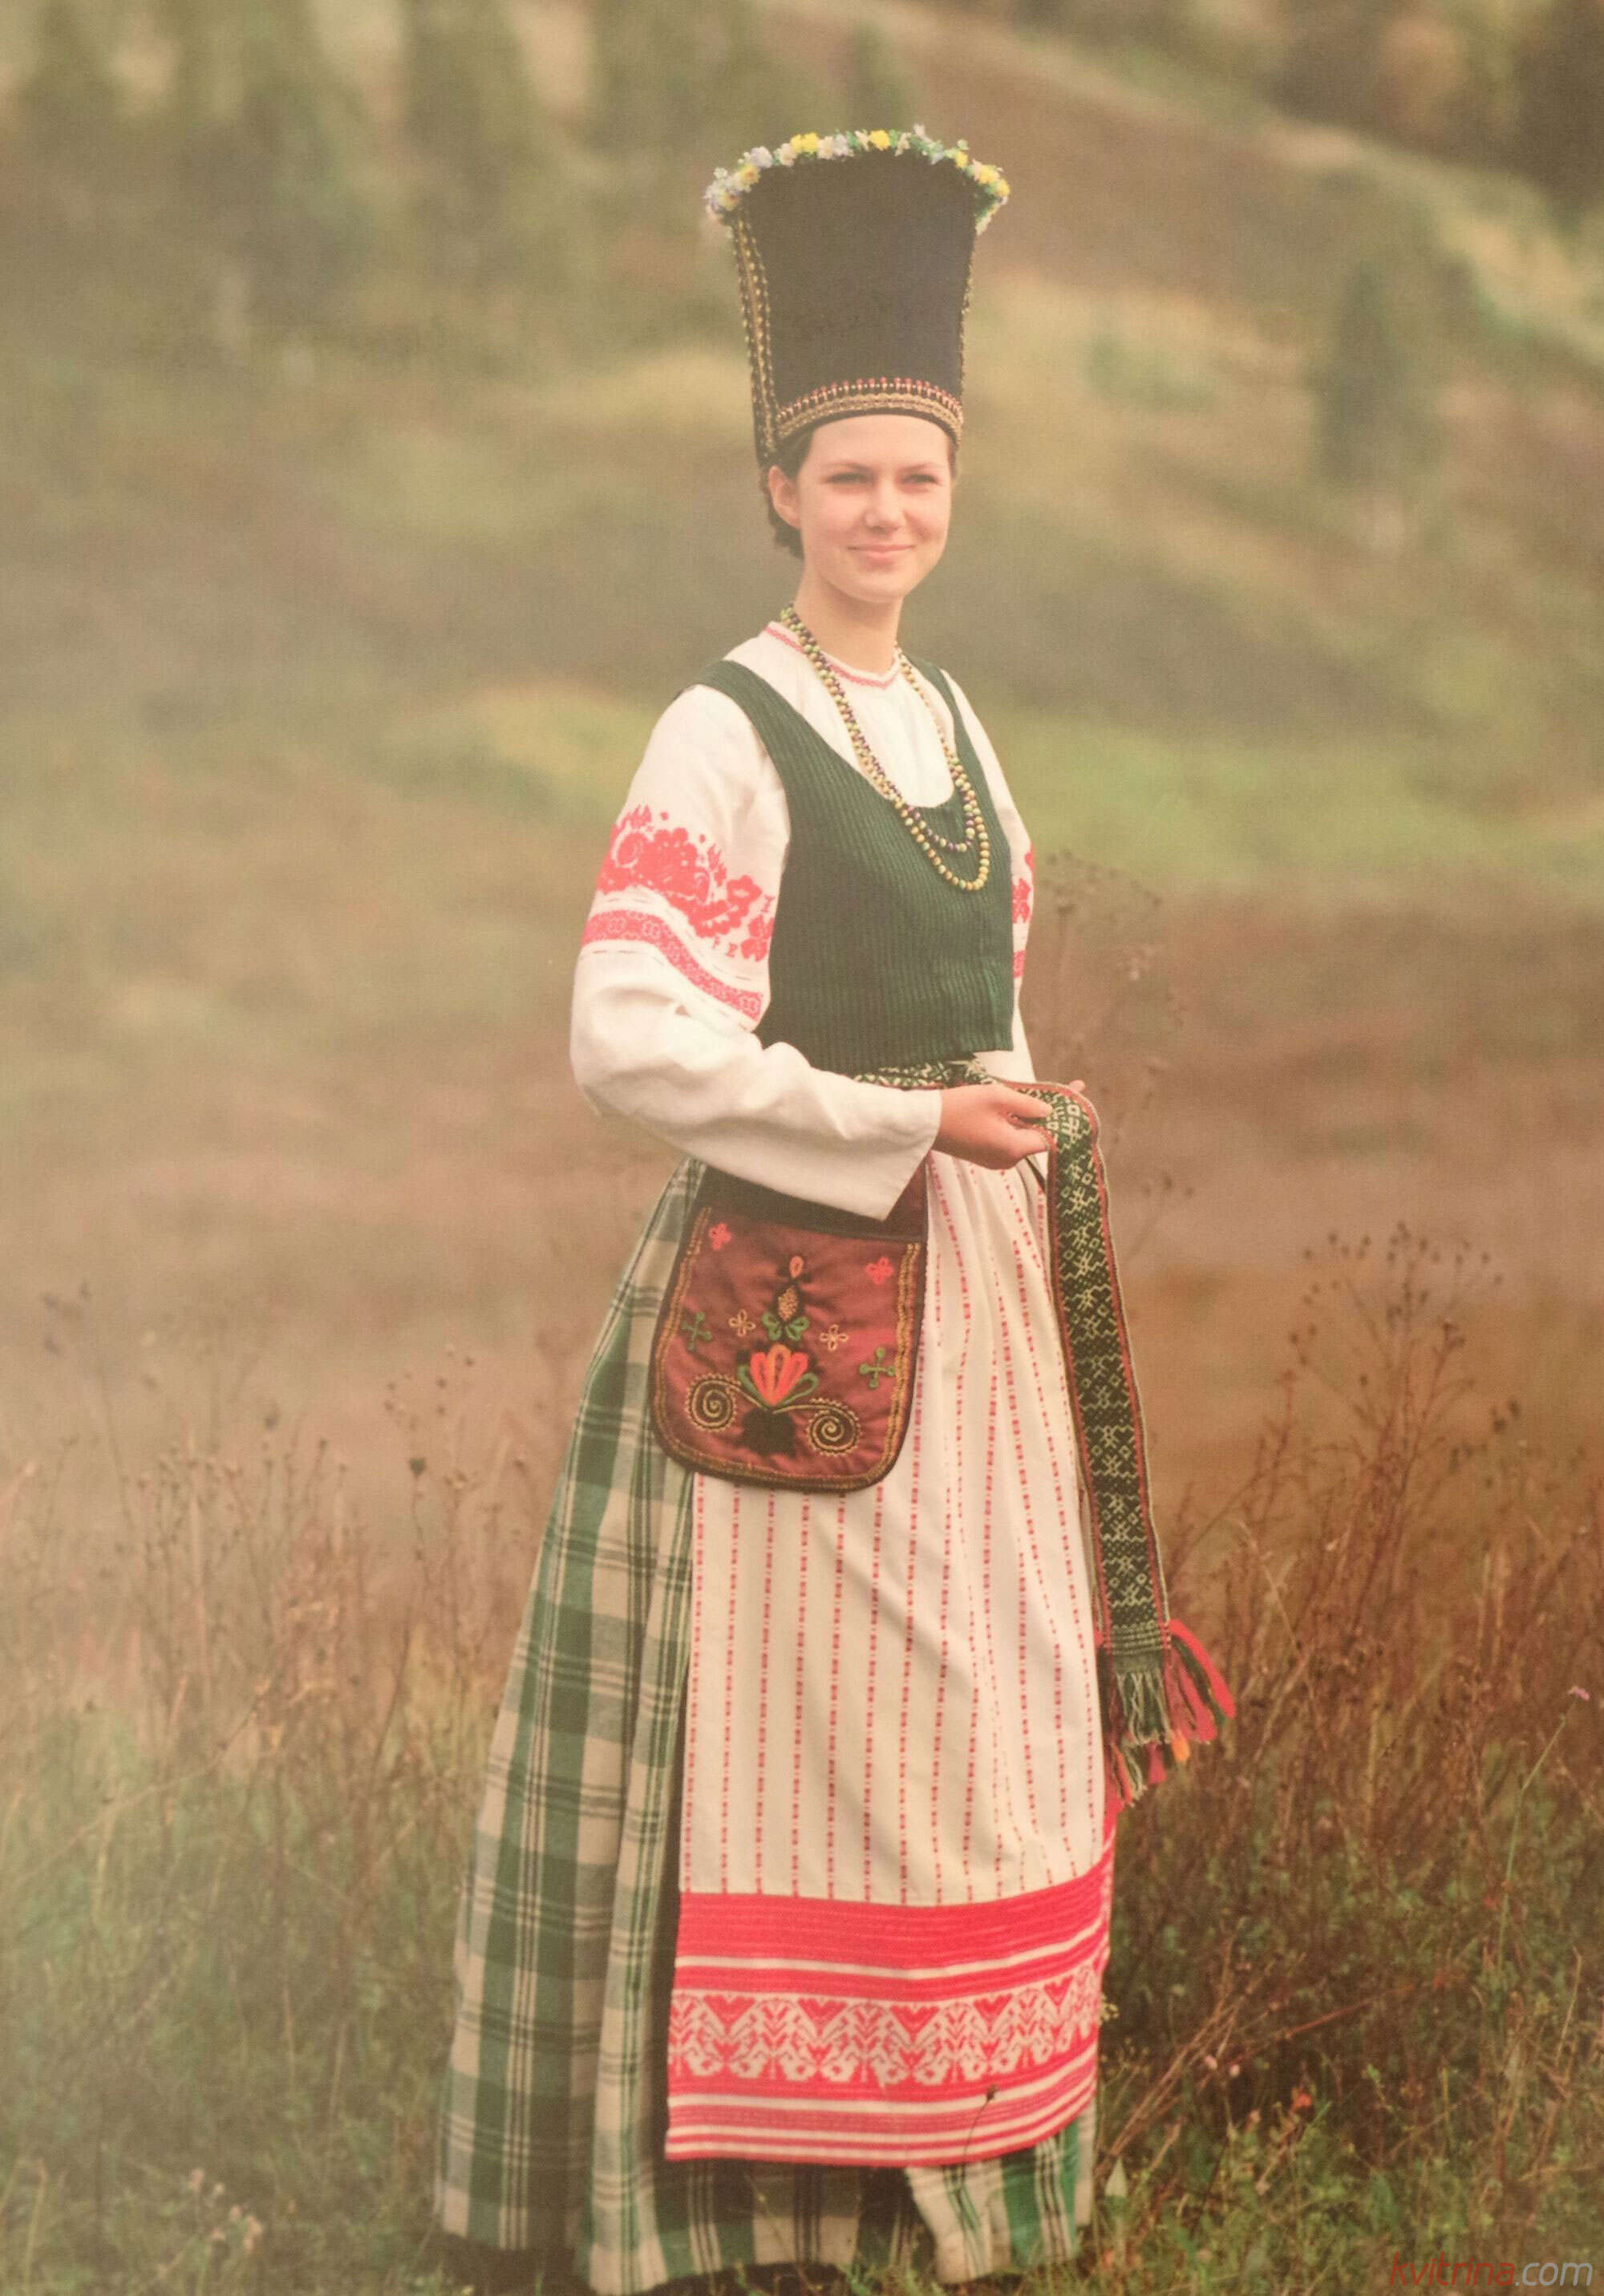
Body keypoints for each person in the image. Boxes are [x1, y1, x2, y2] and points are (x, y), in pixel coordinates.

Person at [433, 126, 1231, 2296]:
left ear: (954, 494)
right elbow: (625, 1035)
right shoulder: (725, 729)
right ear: (780, 489)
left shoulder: (951, 718)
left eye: (920, 478)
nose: (888, 512)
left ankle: (944, 2173)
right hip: (788, 1311)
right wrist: (894, 1124)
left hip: (975, 1311)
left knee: (977, 1729)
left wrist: (1002, 1118)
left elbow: (984, 986)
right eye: (849, 477)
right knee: (789, 1743)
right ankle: (739, 2206)